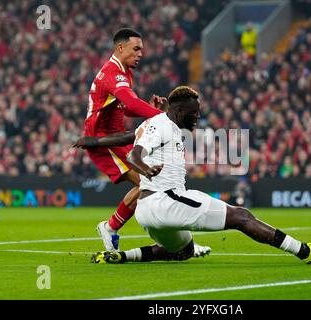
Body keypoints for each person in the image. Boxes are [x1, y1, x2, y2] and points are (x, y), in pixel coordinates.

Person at [90, 86, 311, 264]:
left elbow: (127, 138)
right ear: (178, 110)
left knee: (182, 251)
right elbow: (134, 155)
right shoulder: (160, 125)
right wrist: (146, 169)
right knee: (241, 216)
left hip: (148, 211)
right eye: (193, 112)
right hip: (165, 199)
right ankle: (306, 251)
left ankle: (122, 257)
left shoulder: (158, 124)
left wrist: (95, 141)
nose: (197, 117)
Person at [76, 28, 211, 257]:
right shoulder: (113, 73)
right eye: (136, 48)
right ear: (120, 48)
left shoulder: (123, 71)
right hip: (103, 140)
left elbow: (126, 105)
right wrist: (163, 117)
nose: (140, 54)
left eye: (142, 50)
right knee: (151, 186)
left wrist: (151, 110)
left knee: (154, 184)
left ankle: (176, 241)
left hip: (115, 134)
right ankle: (112, 228)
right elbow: (130, 100)